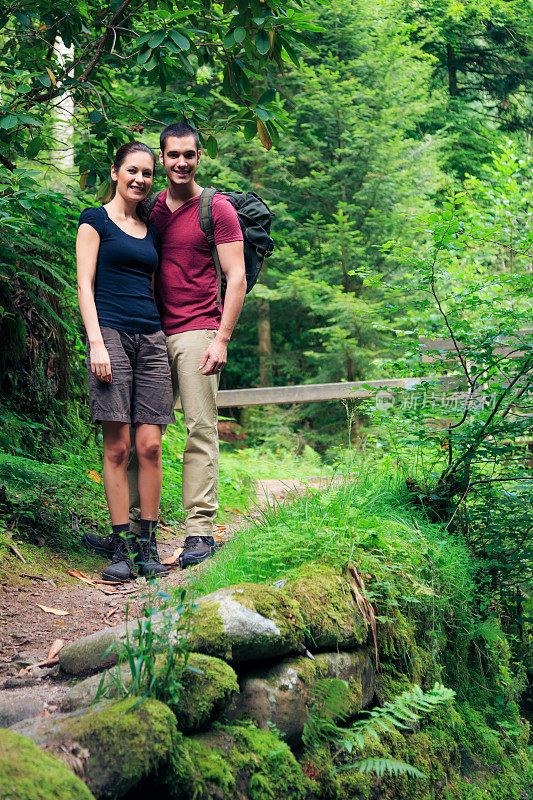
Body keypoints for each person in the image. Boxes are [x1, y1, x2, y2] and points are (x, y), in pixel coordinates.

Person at [128, 122, 247, 568]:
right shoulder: (149, 207)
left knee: (200, 428)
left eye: (189, 155)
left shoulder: (217, 209)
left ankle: (199, 532)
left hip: (199, 330)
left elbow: (235, 278)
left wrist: (222, 339)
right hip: (152, 332)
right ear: (161, 158)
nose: (181, 162)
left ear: (199, 157)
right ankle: (135, 530)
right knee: (147, 433)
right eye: (173, 155)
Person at [77, 141, 175, 582]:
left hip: (151, 338)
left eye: (147, 173)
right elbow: (85, 285)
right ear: (115, 172)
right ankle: (119, 547)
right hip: (110, 336)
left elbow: (154, 286)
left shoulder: (150, 229)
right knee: (117, 446)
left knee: (150, 445)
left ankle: (147, 544)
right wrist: (96, 342)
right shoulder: (94, 220)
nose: (140, 179)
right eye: (132, 170)